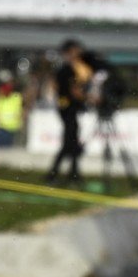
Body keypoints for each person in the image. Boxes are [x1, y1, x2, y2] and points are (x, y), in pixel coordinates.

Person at [45, 39, 91, 184]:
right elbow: (73, 90)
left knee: (71, 141)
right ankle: (57, 174)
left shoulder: (71, 69)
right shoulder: (67, 70)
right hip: (67, 108)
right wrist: (85, 98)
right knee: (69, 142)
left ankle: (71, 173)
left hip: (68, 107)